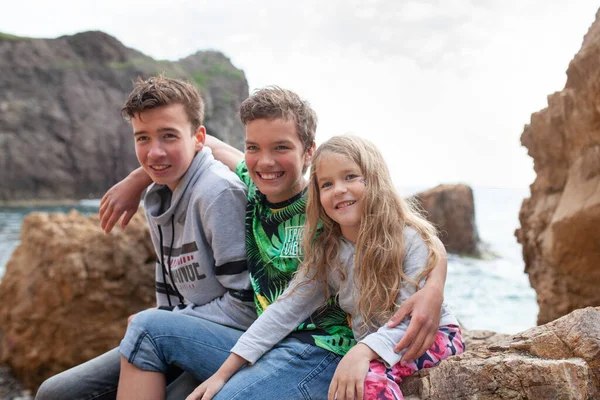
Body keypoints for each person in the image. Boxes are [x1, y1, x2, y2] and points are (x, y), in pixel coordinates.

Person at [102, 87, 449, 400]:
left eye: (281, 147)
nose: (265, 162)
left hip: (318, 348)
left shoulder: (323, 213)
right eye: (254, 147)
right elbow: (204, 141)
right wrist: (137, 180)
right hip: (265, 339)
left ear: (308, 152)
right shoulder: (253, 184)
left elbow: (402, 231)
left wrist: (435, 283)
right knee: (146, 328)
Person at [188, 135, 465, 400]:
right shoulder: (329, 252)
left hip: (429, 336)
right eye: (327, 184)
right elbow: (284, 310)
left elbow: (410, 322)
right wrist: (223, 374)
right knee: (349, 382)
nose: (340, 190)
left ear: (375, 179)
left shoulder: (408, 239)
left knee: (365, 381)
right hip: (374, 349)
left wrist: (361, 352)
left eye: (350, 177)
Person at [35, 75, 256, 400]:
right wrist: (164, 319)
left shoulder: (217, 193)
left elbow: (247, 307)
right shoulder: (158, 197)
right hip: (177, 333)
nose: (154, 152)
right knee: (54, 393)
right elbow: (169, 299)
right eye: (143, 138)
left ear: (198, 138)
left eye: (168, 136)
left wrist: (162, 322)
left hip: (232, 342)